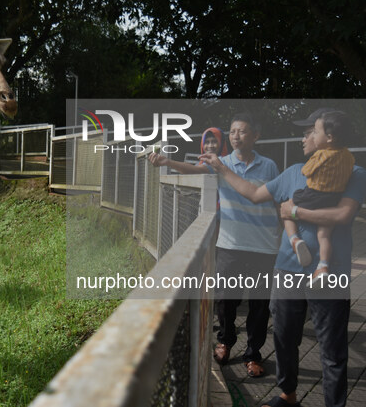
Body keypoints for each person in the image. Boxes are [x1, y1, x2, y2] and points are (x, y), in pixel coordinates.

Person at [200, 109, 366, 407]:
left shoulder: (354, 172)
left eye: (309, 131)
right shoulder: (294, 172)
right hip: (287, 268)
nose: (304, 136)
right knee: (285, 337)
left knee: (332, 349)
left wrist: (296, 212)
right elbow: (253, 193)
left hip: (330, 272)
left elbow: (343, 215)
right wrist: (223, 169)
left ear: (329, 138)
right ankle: (288, 395)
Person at [150, 114, 281, 378]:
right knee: (224, 299)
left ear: (255, 136)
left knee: (258, 305)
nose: (235, 136)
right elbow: (195, 169)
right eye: (232, 131)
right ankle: (225, 341)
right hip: (230, 244)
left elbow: (276, 200)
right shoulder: (220, 163)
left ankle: (254, 354)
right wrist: (166, 161)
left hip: (263, 247)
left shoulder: (269, 167)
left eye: (241, 132)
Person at [283, 111, 354, 288]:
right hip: (334, 198)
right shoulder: (348, 155)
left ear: (329, 137)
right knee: (324, 235)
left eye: (315, 132)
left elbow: (306, 171)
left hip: (316, 194)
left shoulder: (322, 154)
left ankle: (294, 240)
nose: (312, 136)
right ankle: (323, 266)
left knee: (288, 205)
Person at [148, 126, 229, 172]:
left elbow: (196, 170)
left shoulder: (223, 162)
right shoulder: (201, 163)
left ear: (221, 144)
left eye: (214, 141)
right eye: (207, 142)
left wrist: (168, 162)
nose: (210, 146)